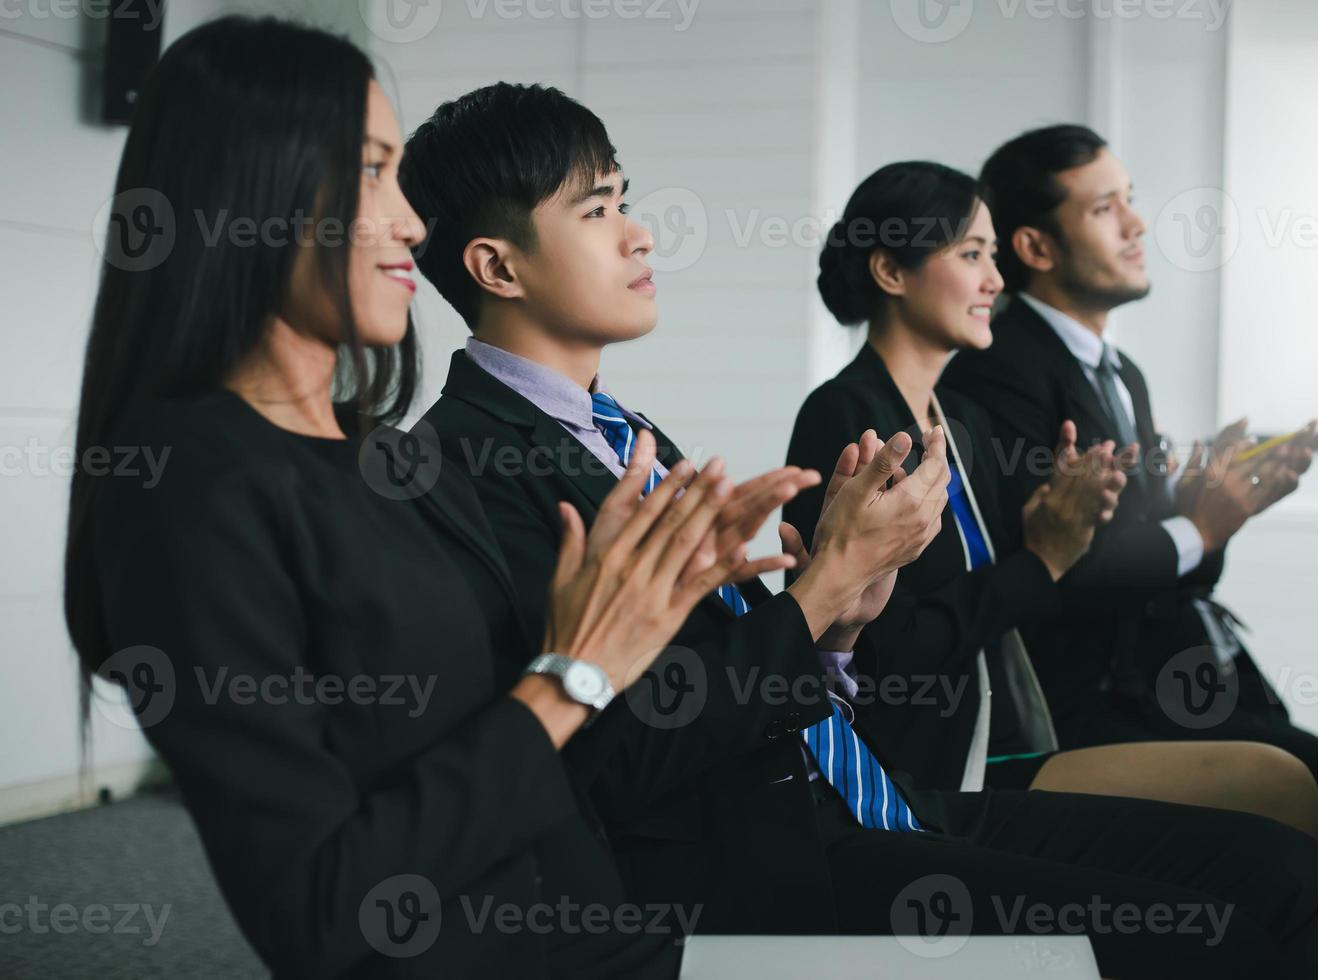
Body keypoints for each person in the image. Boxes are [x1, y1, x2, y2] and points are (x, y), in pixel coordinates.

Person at [401, 82, 1318, 977]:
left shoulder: (624, 433)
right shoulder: (471, 466)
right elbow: (611, 762)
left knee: (1285, 875)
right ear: (497, 264)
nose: (642, 234)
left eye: (626, 200)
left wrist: (841, 621)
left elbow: (732, 676)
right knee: (1220, 939)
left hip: (859, 796)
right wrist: (814, 600)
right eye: (599, 210)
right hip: (765, 862)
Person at [64, 17, 805, 977]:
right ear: (254, 192)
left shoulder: (378, 459)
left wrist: (627, 632)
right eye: (371, 172)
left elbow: (544, 770)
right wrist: (572, 673)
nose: (411, 221)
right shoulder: (189, 484)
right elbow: (323, 912)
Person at [941, 123, 1318, 933]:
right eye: (1106, 207)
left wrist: (1218, 514)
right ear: (1035, 244)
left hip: (1177, 679)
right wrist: (1198, 525)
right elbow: (1060, 568)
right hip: (1095, 701)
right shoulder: (1004, 364)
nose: (1136, 225)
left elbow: (1173, 567)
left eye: (1130, 200)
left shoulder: (1117, 369)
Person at [784, 160, 1318, 847]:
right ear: (892, 273)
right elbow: (889, 656)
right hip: (922, 768)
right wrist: (1042, 557)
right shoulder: (845, 413)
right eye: (973, 255)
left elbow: (1023, 583)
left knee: (1280, 805)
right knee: (1268, 805)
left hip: (1008, 737)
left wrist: (1070, 521)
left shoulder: (963, 422)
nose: (996, 281)